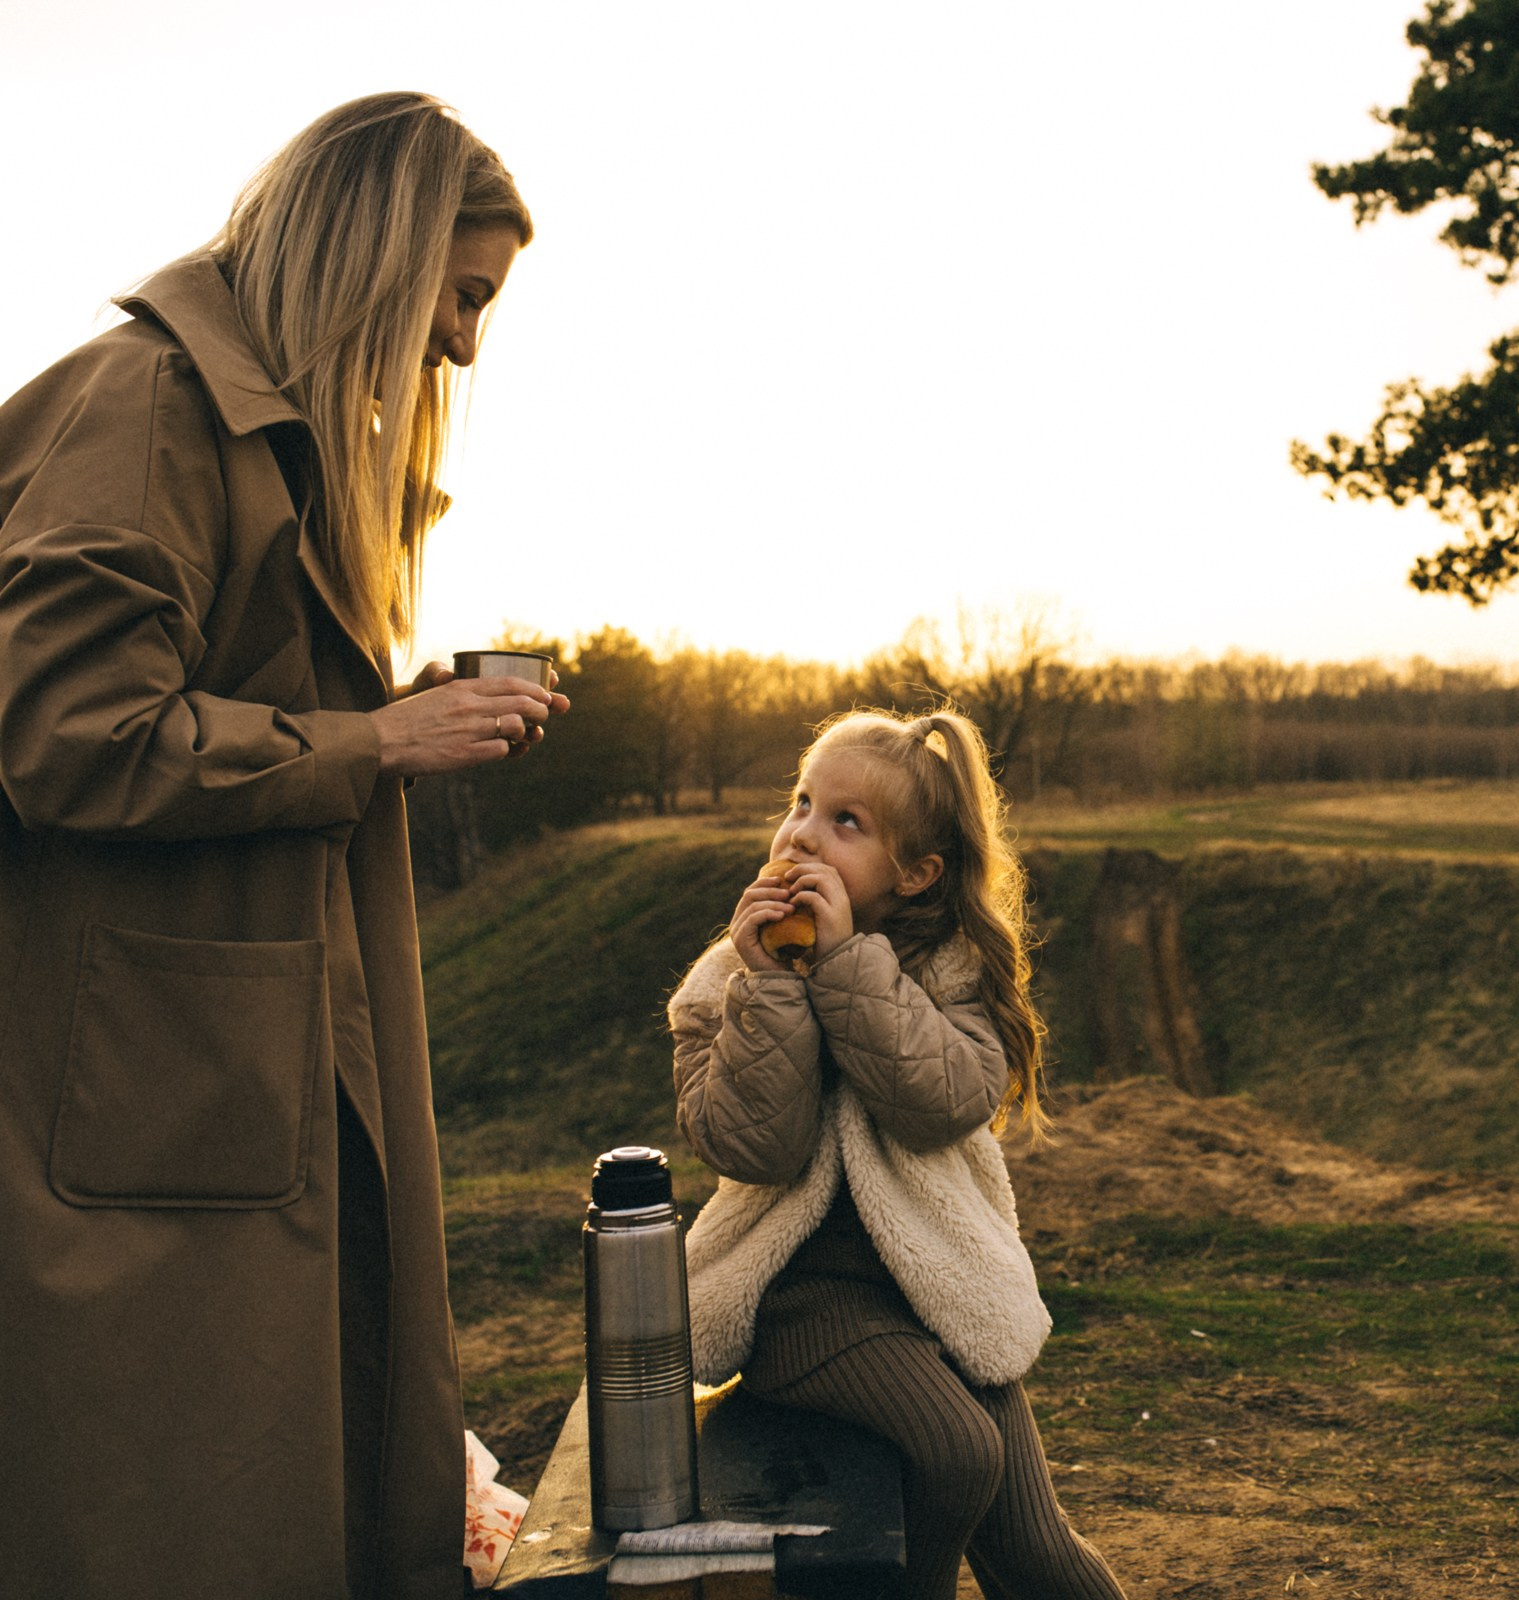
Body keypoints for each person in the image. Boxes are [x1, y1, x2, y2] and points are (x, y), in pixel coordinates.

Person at [0, 93, 561, 1598]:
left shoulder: (252, 437)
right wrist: (374, 742)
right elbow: (68, 730)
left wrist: (394, 713)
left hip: (227, 1079)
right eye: (463, 296)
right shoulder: (143, 408)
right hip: (145, 1096)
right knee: (176, 1515)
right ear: (377, 256)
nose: (463, 347)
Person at [672, 709, 1124, 1600]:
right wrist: (771, 985)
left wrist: (845, 968)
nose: (803, 832)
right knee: (955, 1450)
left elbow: (942, 1106)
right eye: (803, 802)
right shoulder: (727, 979)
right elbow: (752, 1147)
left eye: (848, 822)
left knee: (1041, 1555)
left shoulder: (953, 975)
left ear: (916, 875)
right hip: (798, 1297)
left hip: (939, 1288)